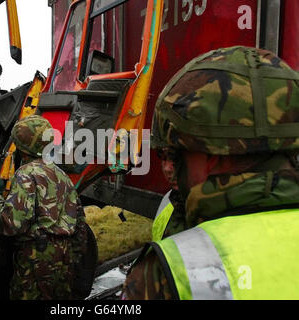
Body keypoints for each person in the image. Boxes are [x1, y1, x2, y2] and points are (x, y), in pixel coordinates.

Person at [122, 46, 299, 300]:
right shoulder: (175, 207)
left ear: (213, 153)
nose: (168, 168)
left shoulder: (162, 274)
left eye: (175, 154)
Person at [0, 115, 96, 300]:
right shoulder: (62, 175)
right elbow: (80, 227)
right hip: (65, 259)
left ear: (22, 148)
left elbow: (13, 223)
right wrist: (72, 259)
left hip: (37, 260)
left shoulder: (26, 174)